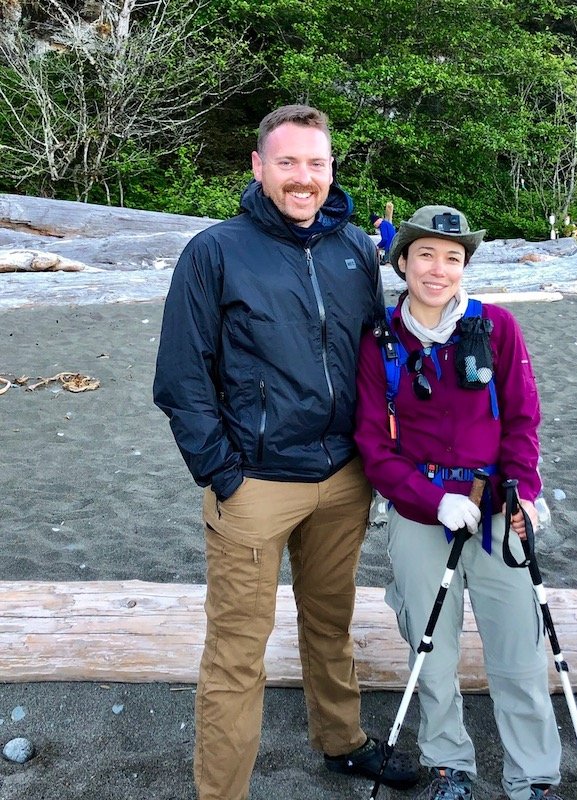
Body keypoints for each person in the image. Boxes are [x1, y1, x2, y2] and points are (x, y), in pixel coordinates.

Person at [152, 104, 418, 800]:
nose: (304, 178)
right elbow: (180, 379)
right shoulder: (215, 252)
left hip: (344, 475)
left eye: (316, 163)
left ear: (332, 169)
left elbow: (375, 352)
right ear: (259, 167)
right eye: (288, 162)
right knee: (237, 654)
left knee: (331, 623)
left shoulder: (357, 248)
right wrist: (222, 474)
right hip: (255, 485)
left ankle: (343, 741)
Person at [354, 205, 565, 800]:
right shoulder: (380, 342)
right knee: (432, 650)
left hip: (499, 510)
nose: (438, 269)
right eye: (425, 254)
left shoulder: (497, 327)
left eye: (452, 257)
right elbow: (374, 444)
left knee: (518, 654)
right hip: (421, 514)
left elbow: (523, 419)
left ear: (464, 266)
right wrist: (429, 500)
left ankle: (534, 777)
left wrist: (521, 491)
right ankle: (449, 764)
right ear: (402, 262)